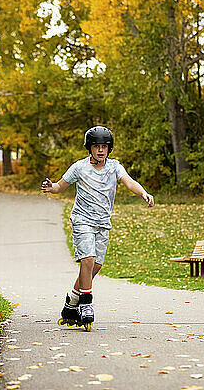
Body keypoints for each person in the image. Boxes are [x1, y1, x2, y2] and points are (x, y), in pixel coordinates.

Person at [41, 126, 154, 331]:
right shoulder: (79, 168)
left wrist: (143, 193)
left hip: (103, 223)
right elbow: (60, 186)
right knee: (87, 259)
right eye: (96, 146)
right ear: (89, 148)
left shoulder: (114, 167)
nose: (100, 150)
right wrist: (52, 188)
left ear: (109, 149)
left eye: (104, 146)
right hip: (82, 220)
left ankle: (70, 305)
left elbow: (129, 183)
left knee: (94, 267)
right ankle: (86, 304)